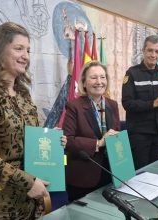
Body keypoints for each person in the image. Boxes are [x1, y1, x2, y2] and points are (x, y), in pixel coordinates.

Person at [0, 22, 66, 219]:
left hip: (27, 198)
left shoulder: (22, 93)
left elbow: (26, 138)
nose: (26, 56)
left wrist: (50, 141)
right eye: (19, 48)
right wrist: (27, 182)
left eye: (28, 50)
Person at [63, 61, 120, 201]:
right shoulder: (74, 106)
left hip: (110, 171)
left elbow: (116, 134)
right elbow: (68, 140)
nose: (99, 82)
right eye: (93, 77)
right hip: (83, 175)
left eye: (102, 77)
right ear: (83, 82)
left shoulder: (112, 105)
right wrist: (99, 143)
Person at [122, 35, 158, 170]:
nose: (153, 55)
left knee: (156, 169)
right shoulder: (132, 73)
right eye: (150, 50)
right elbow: (127, 103)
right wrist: (154, 103)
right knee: (140, 171)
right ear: (143, 51)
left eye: (157, 51)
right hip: (139, 133)